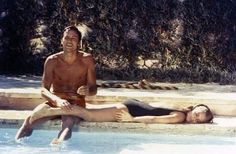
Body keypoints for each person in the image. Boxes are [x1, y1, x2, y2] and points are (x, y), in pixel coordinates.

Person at [15, 25, 97, 143]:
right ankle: (15, 147)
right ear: (61, 40)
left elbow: (94, 88)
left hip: (75, 103)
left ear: (79, 43)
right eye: (66, 38)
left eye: (73, 38)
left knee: (68, 123)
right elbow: (44, 90)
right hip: (55, 102)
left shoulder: (86, 60)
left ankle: (58, 147)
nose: (69, 41)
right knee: (29, 120)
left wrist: (88, 90)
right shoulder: (52, 60)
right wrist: (57, 100)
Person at [29, 98, 214, 125]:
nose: (196, 116)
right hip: (127, 110)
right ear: (196, 107)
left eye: (200, 118)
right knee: (88, 115)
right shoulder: (180, 115)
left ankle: (54, 110)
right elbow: (154, 119)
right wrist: (131, 119)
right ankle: (49, 110)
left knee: (87, 110)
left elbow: (155, 108)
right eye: (199, 111)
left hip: (132, 104)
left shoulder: (180, 109)